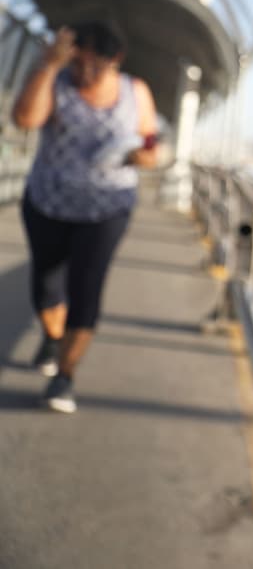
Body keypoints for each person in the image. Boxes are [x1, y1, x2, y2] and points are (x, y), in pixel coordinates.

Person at [11, 21, 159, 413]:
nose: (85, 74)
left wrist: (138, 154)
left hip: (107, 209)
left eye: (97, 66)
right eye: (79, 64)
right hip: (49, 202)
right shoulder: (56, 80)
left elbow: (150, 144)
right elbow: (25, 119)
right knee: (46, 286)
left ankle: (64, 376)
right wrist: (47, 66)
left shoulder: (135, 91)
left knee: (86, 289)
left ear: (117, 61)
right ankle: (52, 336)